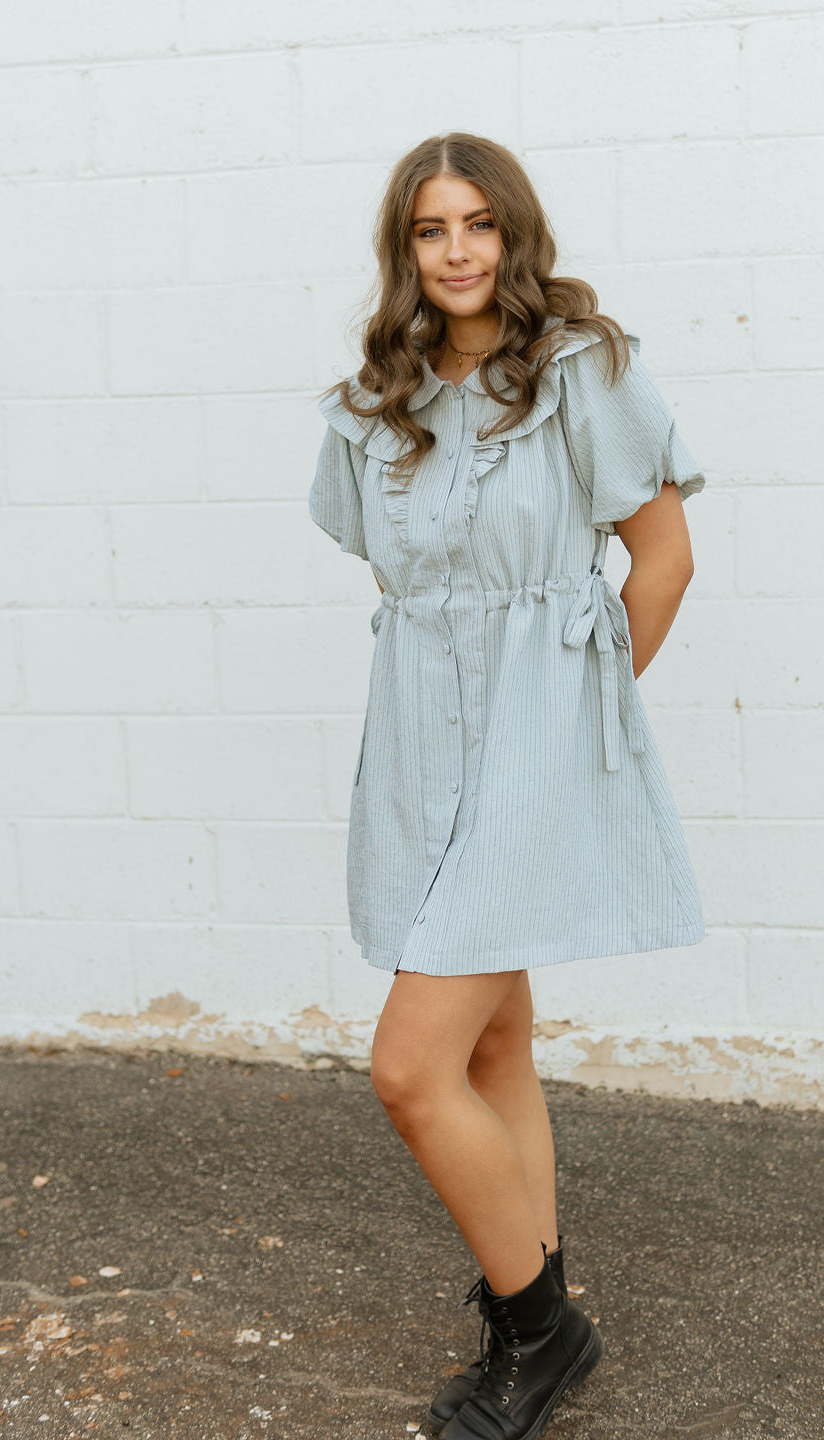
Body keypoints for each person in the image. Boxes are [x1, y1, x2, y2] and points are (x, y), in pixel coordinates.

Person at [308, 132, 706, 1440]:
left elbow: (663, 561)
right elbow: (402, 582)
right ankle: (524, 1278)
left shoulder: (580, 371)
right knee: (488, 1043)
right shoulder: (381, 397)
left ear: (514, 234)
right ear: (406, 250)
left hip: (534, 751)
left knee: (408, 1068)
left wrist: (574, 724)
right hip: (424, 747)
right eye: (433, 229)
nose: (461, 249)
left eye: (481, 223)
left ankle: (542, 1334)